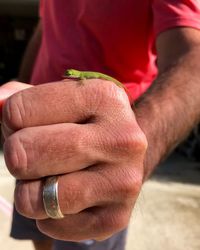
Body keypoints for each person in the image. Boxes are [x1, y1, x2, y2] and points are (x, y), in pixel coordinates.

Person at [0, 1, 200, 250]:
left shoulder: (82, 79)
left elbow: (193, 56)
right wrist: (22, 83)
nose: (71, 75)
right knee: (40, 231)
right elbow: (45, 28)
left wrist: (132, 149)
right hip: (35, 139)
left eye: (73, 75)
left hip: (95, 150)